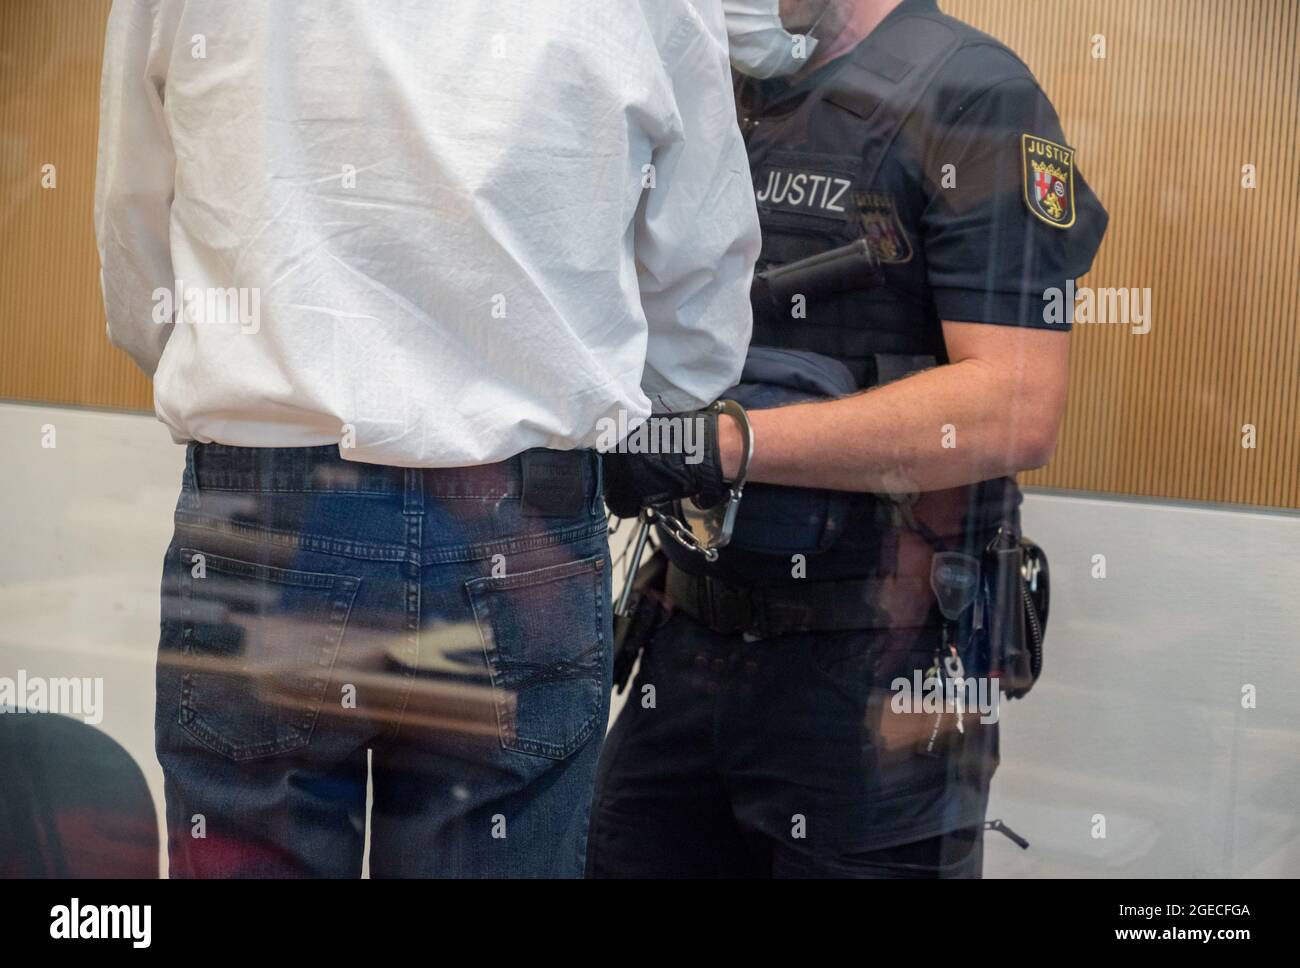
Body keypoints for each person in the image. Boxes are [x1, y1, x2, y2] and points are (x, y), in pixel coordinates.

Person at [94, 0, 759, 878]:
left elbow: (135, 232)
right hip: (521, 519)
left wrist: (255, 385)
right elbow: (701, 309)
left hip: (264, 508)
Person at [589, 0, 1108, 878]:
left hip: (873, 671)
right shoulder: (723, 89)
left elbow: (1014, 404)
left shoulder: (973, 96)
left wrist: (729, 446)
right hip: (684, 641)